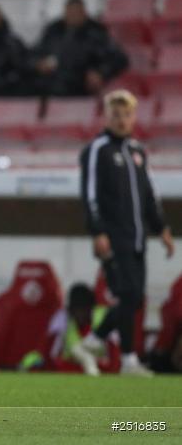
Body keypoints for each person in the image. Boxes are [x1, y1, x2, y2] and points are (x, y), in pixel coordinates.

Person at [79, 89, 175, 377]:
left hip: (137, 237)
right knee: (128, 294)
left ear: (134, 117)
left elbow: (149, 195)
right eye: (116, 115)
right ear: (106, 117)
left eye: (127, 114)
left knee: (134, 297)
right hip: (113, 236)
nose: (122, 120)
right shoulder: (97, 150)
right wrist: (97, 231)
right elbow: (89, 194)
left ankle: (95, 343)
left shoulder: (138, 151)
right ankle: (127, 359)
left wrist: (161, 228)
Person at [31, 0, 129, 97]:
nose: (73, 16)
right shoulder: (53, 31)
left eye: (77, 12)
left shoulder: (96, 34)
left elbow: (119, 58)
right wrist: (38, 64)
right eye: (70, 12)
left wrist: (101, 73)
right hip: (51, 86)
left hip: (81, 88)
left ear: (84, 13)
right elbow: (34, 54)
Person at [20, 283, 119, 375]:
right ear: (70, 309)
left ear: (91, 308)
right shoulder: (62, 318)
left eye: (83, 309)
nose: (79, 314)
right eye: (76, 309)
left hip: (100, 367)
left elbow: (115, 359)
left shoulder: (104, 317)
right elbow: (49, 355)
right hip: (71, 367)